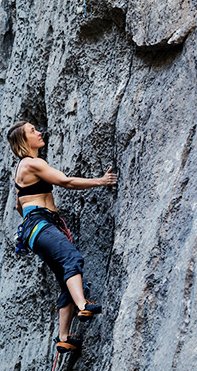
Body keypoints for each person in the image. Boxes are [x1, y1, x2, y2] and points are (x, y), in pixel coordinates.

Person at [7, 121, 117, 353]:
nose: (39, 132)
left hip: (36, 227)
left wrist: (44, 220)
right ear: (23, 142)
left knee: (67, 279)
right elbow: (65, 181)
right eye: (32, 131)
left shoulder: (22, 168)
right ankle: (83, 304)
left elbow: (19, 204)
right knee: (71, 258)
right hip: (40, 225)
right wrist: (101, 181)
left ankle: (64, 337)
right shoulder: (32, 163)